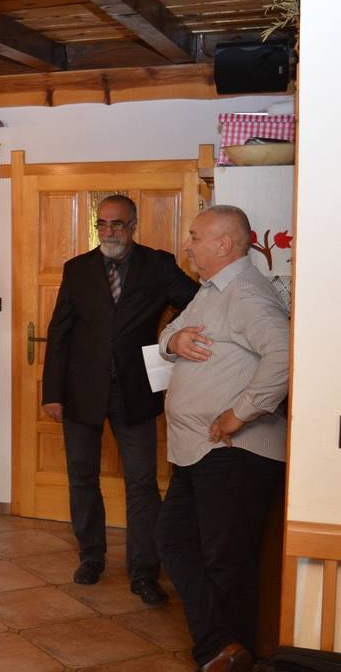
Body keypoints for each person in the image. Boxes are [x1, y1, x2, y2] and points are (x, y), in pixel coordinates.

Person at [42, 194, 198, 605]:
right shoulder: (77, 269)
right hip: (81, 392)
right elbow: (59, 333)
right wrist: (52, 393)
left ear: (133, 225)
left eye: (118, 224)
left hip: (135, 391)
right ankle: (91, 557)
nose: (109, 232)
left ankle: (144, 571)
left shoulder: (158, 265)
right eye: (103, 224)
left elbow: (198, 301)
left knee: (142, 483)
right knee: (82, 478)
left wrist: (170, 336)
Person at [156, 205, 288, 672]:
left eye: (194, 237)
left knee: (226, 561)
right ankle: (220, 648)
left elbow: (285, 355)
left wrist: (239, 413)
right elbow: (171, 331)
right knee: (174, 540)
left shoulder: (246, 293)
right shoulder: (212, 290)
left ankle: (229, 655)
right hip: (199, 450)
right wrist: (173, 342)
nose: (187, 245)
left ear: (224, 244)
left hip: (234, 452)